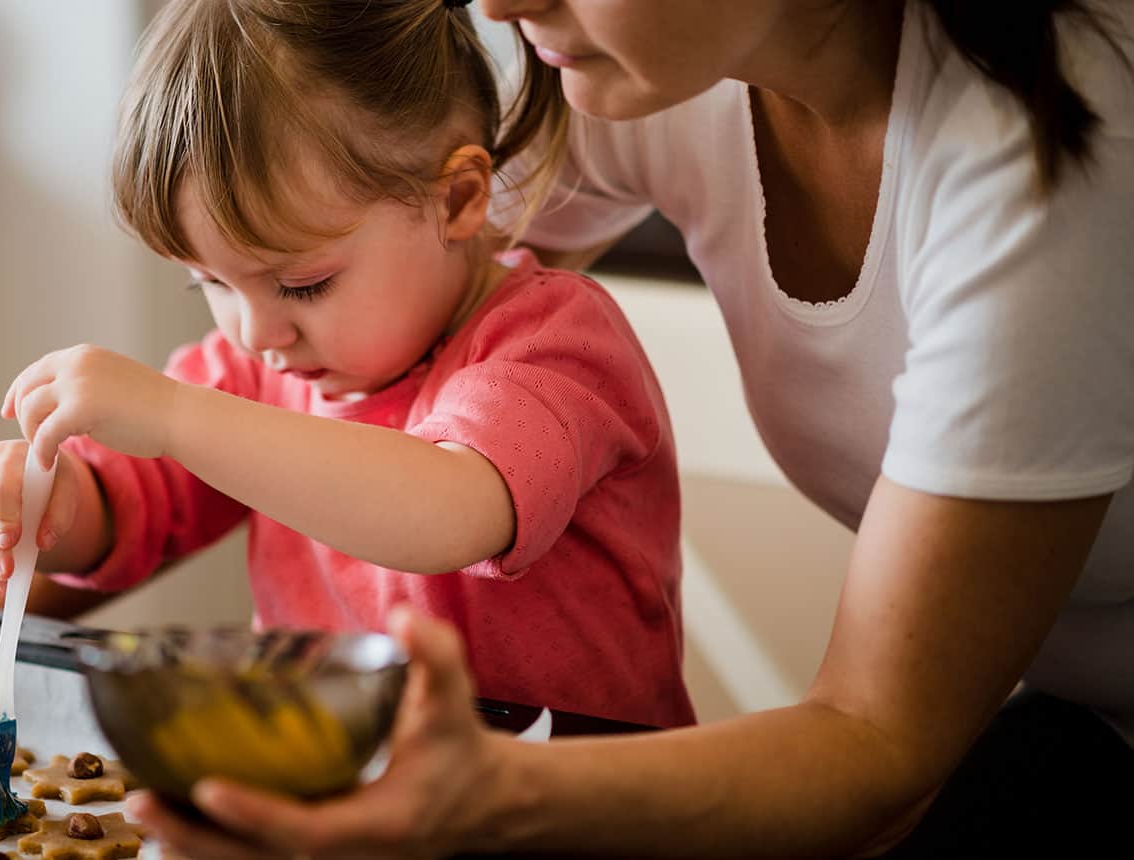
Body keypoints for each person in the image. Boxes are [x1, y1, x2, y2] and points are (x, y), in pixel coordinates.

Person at [124, 0, 1134, 857]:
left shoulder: (1049, 165)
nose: (500, 4)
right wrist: (72, 527)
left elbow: (875, 742)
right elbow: (370, 314)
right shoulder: (646, 62)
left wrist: (484, 796)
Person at [0, 0, 694, 728]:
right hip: (349, 796)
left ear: (458, 199)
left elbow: (448, 511)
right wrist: (54, 503)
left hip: (576, 803)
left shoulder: (555, 345)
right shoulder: (258, 372)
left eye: (302, 284)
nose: (258, 333)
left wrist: (174, 415)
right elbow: (133, 507)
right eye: (209, 282)